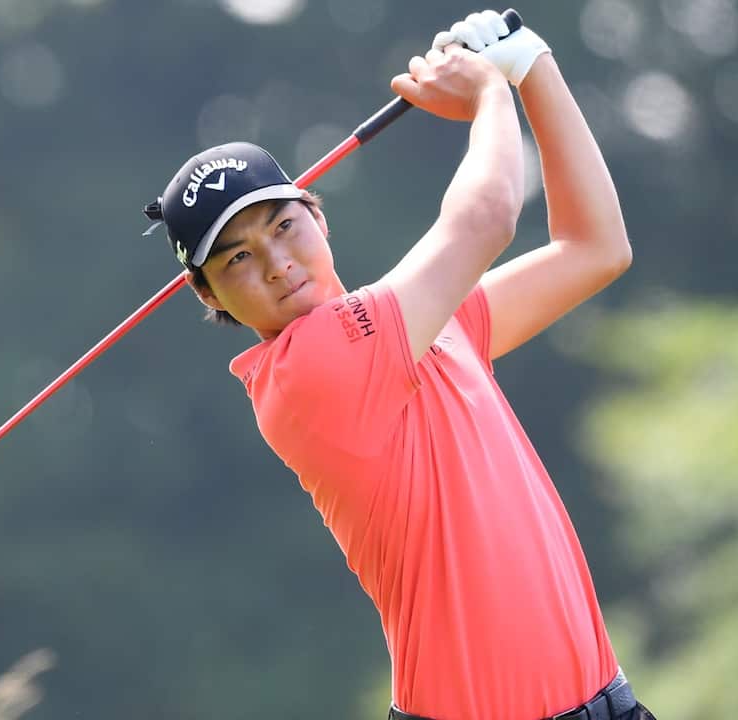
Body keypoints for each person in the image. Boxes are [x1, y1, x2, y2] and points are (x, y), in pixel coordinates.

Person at [143, 9, 654, 720]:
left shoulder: (428, 330)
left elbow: (595, 247)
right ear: (209, 295)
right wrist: (488, 91)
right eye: (238, 259)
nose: (277, 265)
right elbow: (487, 217)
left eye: (283, 226)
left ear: (318, 217)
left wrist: (534, 65)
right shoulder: (309, 373)